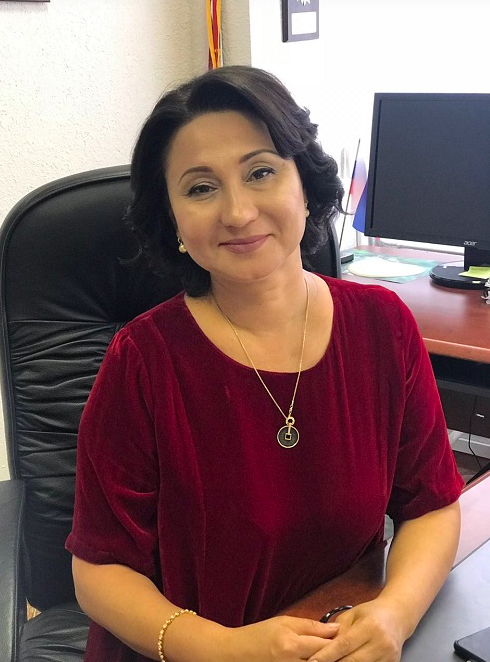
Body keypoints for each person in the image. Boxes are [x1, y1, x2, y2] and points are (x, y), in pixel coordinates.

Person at [66, 65, 463, 662]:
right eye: (201, 188)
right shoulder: (143, 362)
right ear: (172, 220)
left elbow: (431, 507)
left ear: (305, 183)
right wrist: (222, 649)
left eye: (260, 172)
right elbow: (98, 572)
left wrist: (395, 614)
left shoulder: (382, 327)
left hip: (334, 635)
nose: (237, 212)